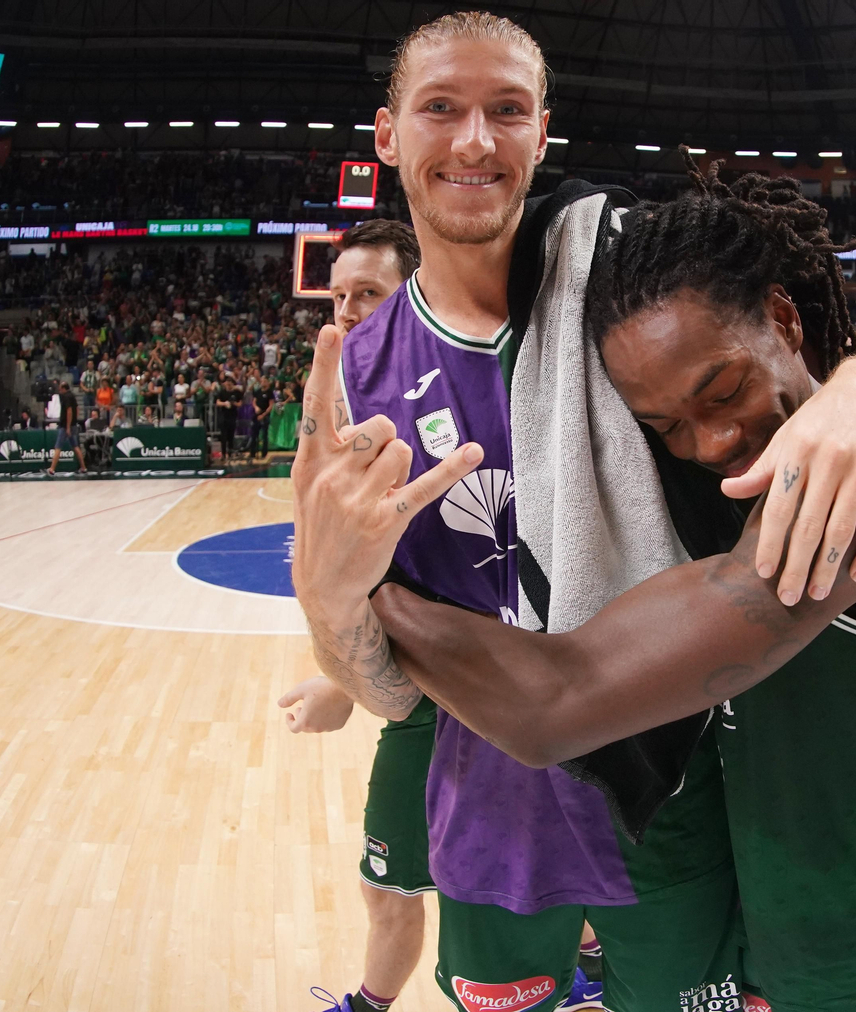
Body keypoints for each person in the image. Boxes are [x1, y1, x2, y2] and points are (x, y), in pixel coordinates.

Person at [291, 13, 856, 1012]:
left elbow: (842, 360)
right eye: (441, 109)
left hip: (663, 787)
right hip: (486, 802)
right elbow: (374, 677)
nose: (473, 140)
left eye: (506, 110)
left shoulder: (627, 289)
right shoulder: (354, 384)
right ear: (387, 135)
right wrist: (327, 604)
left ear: (542, 134)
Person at [278, 220, 504, 1012]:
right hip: (425, 699)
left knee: (480, 898)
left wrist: (346, 680)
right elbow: (380, 592)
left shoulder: (466, 389)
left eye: (366, 294)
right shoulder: (342, 421)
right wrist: (339, 671)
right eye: (337, 296)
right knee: (392, 887)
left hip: (493, 692)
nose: (345, 312)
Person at [47, 379, 84, 475]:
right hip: (73, 425)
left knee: (58, 447)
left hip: (65, 426)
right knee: (75, 446)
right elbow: (77, 408)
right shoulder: (72, 396)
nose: (59, 391)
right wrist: (74, 421)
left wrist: (68, 427)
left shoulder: (66, 397)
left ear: (63, 389)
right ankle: (83, 467)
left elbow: (69, 411)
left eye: (60, 389)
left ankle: (52, 469)